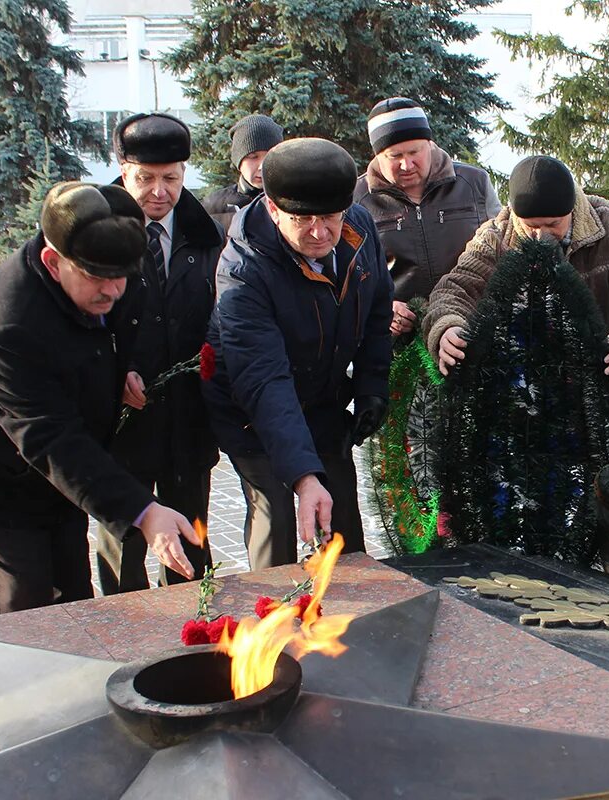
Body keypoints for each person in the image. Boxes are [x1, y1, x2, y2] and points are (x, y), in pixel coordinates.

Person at [0, 182, 202, 614]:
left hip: (60, 447)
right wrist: (144, 512)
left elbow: (113, 331)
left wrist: (122, 370)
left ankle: (73, 666)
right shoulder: (10, 327)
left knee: (71, 587)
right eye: (96, 278)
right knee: (26, 595)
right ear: (53, 261)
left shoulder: (109, 266)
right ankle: (20, 677)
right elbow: (49, 439)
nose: (114, 291)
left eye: (122, 276)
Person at [202, 138, 393, 567]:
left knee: (341, 517)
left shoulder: (358, 231)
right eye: (302, 219)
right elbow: (264, 380)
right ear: (272, 209)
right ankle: (274, 616)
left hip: (322, 395)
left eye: (329, 217)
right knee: (279, 514)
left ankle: (354, 616)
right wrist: (305, 477)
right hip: (252, 411)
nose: (319, 233)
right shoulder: (242, 271)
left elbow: (378, 306)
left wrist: (371, 385)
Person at [96, 112, 225, 594]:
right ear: (123, 170)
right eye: (145, 178)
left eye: (170, 178)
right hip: (121, 419)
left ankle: (197, 622)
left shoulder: (205, 236)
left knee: (191, 534)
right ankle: (121, 625)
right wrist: (114, 374)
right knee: (124, 535)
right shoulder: (97, 229)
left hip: (188, 421)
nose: (158, 191)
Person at [423, 155, 609, 386]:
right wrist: (448, 327)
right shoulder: (494, 239)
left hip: (598, 391)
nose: (541, 236)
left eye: (553, 224)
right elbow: (456, 289)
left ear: (572, 208)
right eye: (531, 226)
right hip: (515, 395)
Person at [353, 97, 501, 336]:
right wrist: (380, 307)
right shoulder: (357, 199)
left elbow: (500, 252)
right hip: (398, 340)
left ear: (430, 144)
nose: (407, 164)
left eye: (414, 152)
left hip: (470, 326)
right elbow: (349, 275)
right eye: (394, 156)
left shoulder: (474, 183)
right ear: (377, 155)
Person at [201, 113, 285, 231]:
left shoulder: (292, 203)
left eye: (269, 156)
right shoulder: (215, 207)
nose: (262, 166)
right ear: (239, 161)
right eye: (253, 156)